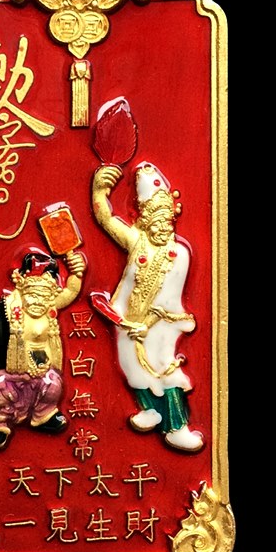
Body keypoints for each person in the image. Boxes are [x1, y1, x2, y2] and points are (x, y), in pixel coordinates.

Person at [91, 161, 203, 451]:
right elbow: (107, 220)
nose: (162, 227)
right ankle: (150, 409)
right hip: (128, 321)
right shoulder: (137, 242)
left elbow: (168, 299)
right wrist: (99, 191)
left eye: (167, 221)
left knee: (164, 368)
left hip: (161, 324)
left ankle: (177, 426)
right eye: (156, 221)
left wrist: (147, 327)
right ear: (144, 221)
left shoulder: (179, 254)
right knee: (132, 366)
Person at [0, 249, 86, 450]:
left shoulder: (48, 308)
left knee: (52, 386)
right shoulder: (1, 312)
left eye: (43, 296)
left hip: (40, 371)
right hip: (6, 374)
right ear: (22, 291)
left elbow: (70, 292)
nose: (37, 302)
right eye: (33, 295)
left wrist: (77, 273)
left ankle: (43, 415)